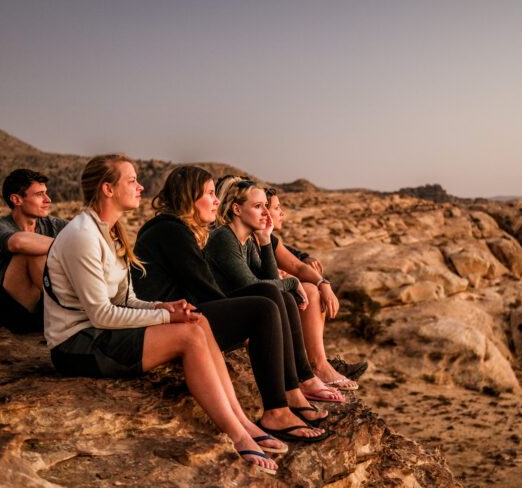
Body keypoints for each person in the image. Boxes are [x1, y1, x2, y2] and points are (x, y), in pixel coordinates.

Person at [43, 154, 279, 475]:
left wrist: (163, 307)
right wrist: (167, 318)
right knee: (188, 334)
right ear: (108, 189)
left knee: (197, 320)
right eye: (131, 181)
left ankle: (242, 421)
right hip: (78, 345)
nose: (140, 187)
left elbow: (127, 299)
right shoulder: (82, 236)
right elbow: (102, 315)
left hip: (101, 334)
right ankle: (237, 435)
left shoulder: (110, 231)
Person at [132, 165, 330, 437]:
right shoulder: (173, 232)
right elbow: (209, 291)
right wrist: (251, 318)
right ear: (189, 198)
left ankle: (292, 392)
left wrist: (264, 244)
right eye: (209, 194)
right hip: (168, 323)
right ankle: (277, 410)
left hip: (182, 313)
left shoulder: (179, 230)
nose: (215, 201)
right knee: (263, 307)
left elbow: (256, 282)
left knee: (271, 296)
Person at [206, 178, 345, 404]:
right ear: (237, 209)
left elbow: (266, 280)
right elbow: (252, 286)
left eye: (266, 206)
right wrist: (292, 282)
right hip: (221, 320)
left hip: (243, 312)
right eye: (258, 206)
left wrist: (264, 240)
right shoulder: (223, 238)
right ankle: (299, 384)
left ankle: (304, 380)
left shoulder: (247, 241)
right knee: (282, 293)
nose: (266, 213)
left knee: (285, 298)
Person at [264, 186, 366, 388]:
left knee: (313, 286)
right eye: (277, 208)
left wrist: (324, 284)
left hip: (271, 295)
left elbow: (297, 263)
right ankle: (318, 365)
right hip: (259, 299)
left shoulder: (269, 238)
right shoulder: (245, 239)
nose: (282, 213)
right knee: (308, 290)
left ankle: (320, 361)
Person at [0, 169, 68, 333]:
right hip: (10, 312)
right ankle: (72, 310)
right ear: (17, 199)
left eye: (46, 193)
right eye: (39, 194)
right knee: (32, 253)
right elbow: (18, 242)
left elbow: (85, 235)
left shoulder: (52, 224)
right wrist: (68, 245)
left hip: (43, 306)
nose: (48, 200)